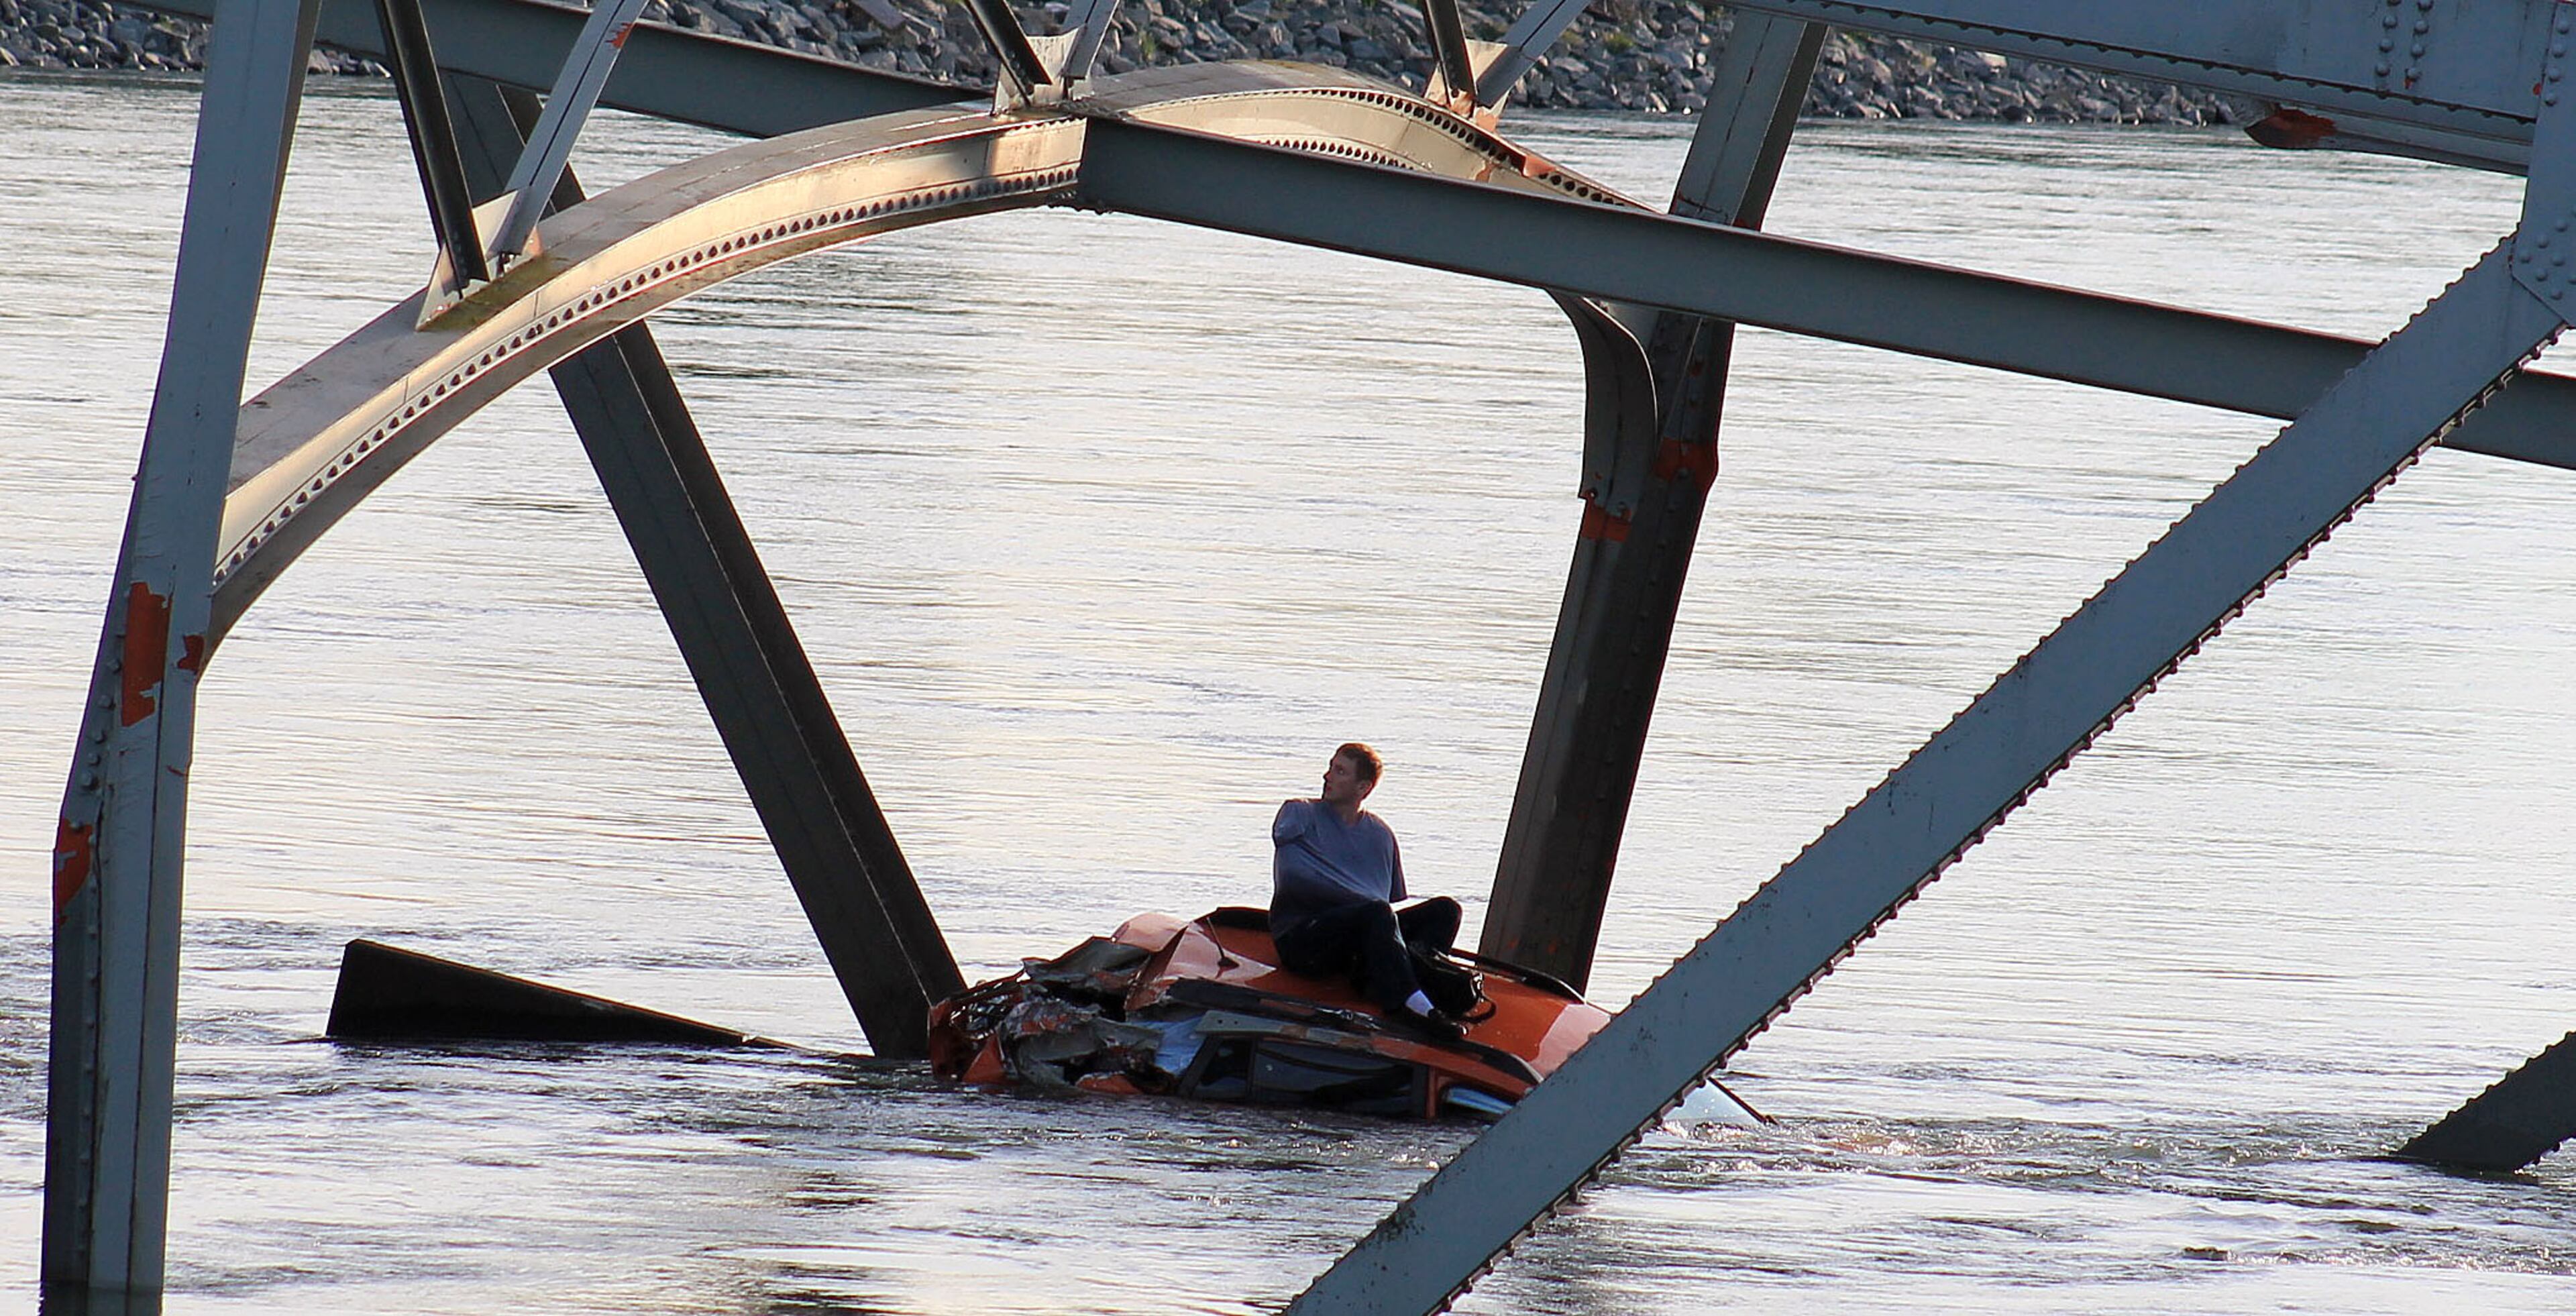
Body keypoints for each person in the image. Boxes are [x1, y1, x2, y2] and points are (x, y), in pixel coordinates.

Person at [1267, 742, 1465, 1030]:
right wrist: (1359, 902)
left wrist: (1364, 907)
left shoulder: (1380, 835)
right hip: (1303, 939)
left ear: (1363, 788)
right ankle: (1408, 1005)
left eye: (1340, 771)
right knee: (1376, 912)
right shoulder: (1300, 814)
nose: (1327, 776)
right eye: (1331, 768)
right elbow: (1295, 878)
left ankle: (1416, 985)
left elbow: (1385, 899)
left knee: (1446, 910)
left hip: (1356, 938)